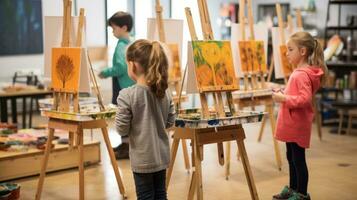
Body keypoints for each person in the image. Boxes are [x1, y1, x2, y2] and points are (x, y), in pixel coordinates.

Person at [115, 39, 175, 200]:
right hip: (161, 156)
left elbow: (121, 129)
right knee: (161, 194)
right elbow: (170, 122)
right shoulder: (165, 91)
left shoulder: (127, 95)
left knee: (145, 196)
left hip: (142, 159)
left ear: (133, 65)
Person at [272, 32, 328, 200]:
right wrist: (284, 92)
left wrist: (283, 98)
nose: (286, 53)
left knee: (298, 159)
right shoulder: (300, 72)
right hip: (292, 123)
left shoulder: (301, 74)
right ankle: (293, 189)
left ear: (303, 51)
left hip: (296, 124)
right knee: (291, 157)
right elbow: (297, 93)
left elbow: (304, 99)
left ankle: (302, 194)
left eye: (290, 49)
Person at [99, 11, 135, 159]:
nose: (113, 31)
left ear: (124, 28)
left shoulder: (121, 45)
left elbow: (120, 67)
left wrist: (105, 72)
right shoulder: (132, 42)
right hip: (131, 84)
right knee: (129, 115)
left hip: (122, 85)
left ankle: (126, 146)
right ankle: (126, 144)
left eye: (114, 28)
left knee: (123, 115)